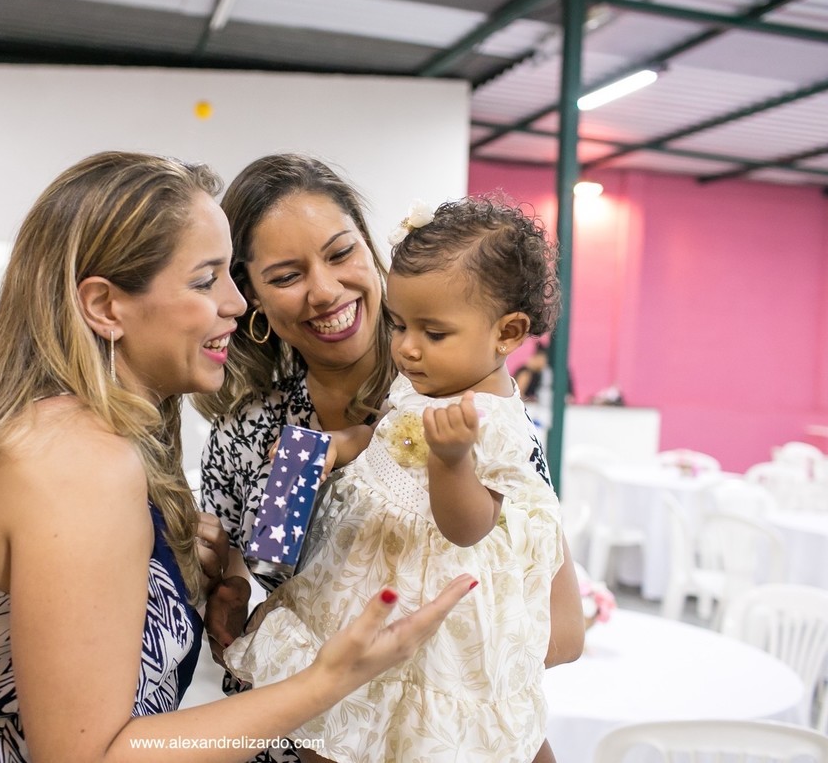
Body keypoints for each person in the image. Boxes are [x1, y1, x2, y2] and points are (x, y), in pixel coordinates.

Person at [0, 151, 476, 762]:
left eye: (341, 253)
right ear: (105, 307)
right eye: (209, 279)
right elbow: (92, 754)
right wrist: (323, 680)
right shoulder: (85, 456)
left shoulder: (79, 440)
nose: (235, 304)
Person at [193, 155, 583, 763]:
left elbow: (558, 631)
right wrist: (228, 586)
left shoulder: (467, 401)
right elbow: (252, 561)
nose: (325, 291)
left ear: (370, 252)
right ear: (253, 299)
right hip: (301, 723)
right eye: (287, 275)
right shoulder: (252, 429)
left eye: (340, 253)